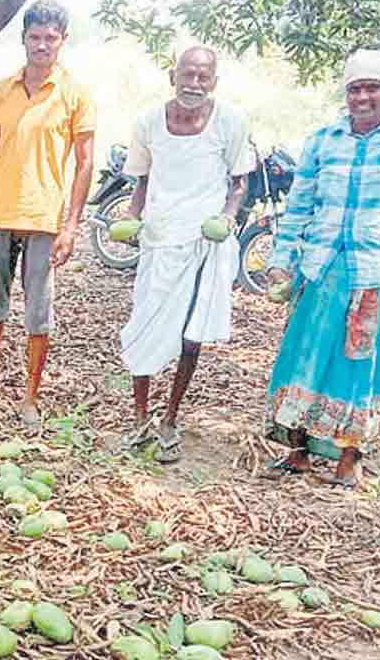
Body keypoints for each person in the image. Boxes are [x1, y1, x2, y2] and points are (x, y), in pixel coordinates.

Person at [262, 48, 380, 489]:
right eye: (354, 88)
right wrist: (282, 263)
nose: (362, 97)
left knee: (362, 364)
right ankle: (299, 451)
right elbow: (299, 207)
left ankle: (349, 458)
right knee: (302, 358)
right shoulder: (323, 140)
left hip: (378, 276)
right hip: (320, 270)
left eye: (372, 88)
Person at [0, 0, 96, 430]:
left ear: (62, 42)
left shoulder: (75, 94)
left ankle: (31, 398)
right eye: (35, 37)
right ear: (24, 39)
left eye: (51, 38)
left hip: (44, 219)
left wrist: (71, 226)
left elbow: (85, 163)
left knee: (38, 314)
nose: (42, 45)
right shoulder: (1, 90)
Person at [115, 47, 253, 463]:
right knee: (142, 330)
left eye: (203, 77)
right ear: (172, 77)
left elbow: (239, 183)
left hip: (205, 245)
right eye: (187, 75)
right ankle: (140, 419)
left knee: (191, 337)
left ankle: (170, 420)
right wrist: (131, 218)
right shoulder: (148, 123)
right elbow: (141, 182)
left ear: (214, 81)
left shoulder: (230, 122)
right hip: (159, 241)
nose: (194, 84)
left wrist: (228, 217)